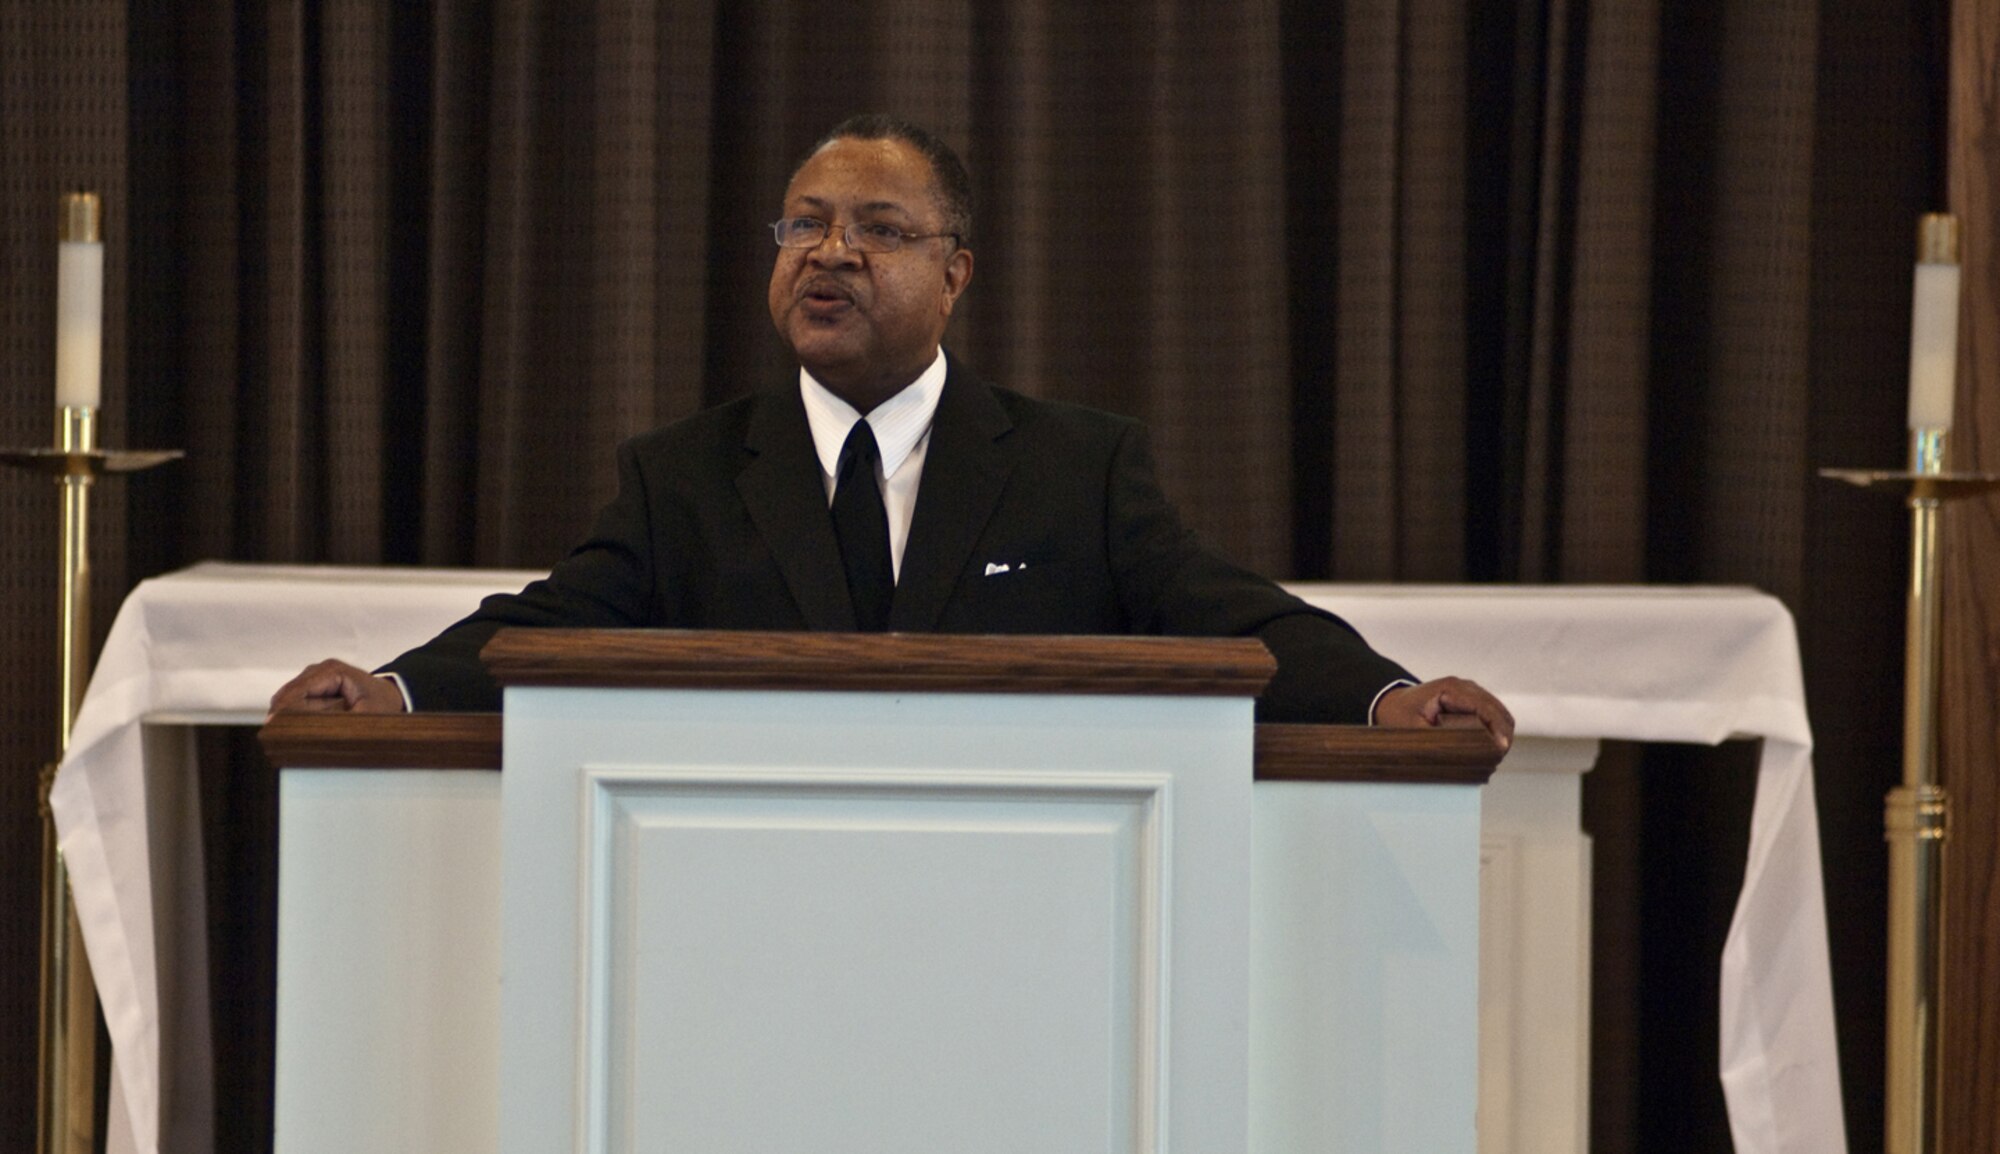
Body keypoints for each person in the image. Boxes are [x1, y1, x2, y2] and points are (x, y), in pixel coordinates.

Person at [269, 114, 1513, 747]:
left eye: (877, 226)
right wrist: (388, 686)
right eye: (803, 224)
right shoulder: (684, 476)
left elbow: (1231, 616)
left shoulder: (1080, 466)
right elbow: (542, 624)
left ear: (956, 272)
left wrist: (1384, 696)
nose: (830, 251)